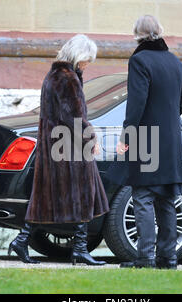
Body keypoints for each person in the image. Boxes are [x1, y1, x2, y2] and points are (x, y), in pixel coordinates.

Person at [8, 34, 110, 265]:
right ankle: (80, 249)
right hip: (69, 147)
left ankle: (23, 240)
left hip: (55, 146)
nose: (87, 65)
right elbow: (74, 116)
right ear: (78, 57)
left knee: (47, 197)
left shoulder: (54, 75)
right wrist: (91, 139)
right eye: (86, 60)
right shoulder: (68, 78)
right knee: (84, 194)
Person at [107, 15, 182, 269]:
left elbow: (136, 103)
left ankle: (145, 257)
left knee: (142, 197)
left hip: (146, 138)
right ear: (159, 32)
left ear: (137, 34)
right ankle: (169, 258)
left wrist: (126, 135)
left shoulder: (139, 60)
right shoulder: (175, 62)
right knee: (167, 198)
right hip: (171, 139)